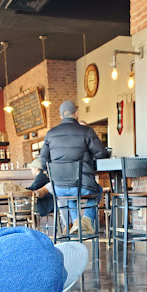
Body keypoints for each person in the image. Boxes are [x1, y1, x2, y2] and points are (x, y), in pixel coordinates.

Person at [40, 100, 109, 235]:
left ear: (61, 116)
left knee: (71, 194)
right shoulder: (86, 131)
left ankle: (77, 223)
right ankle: (86, 220)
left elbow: (43, 163)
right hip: (82, 186)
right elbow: (102, 154)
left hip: (58, 188)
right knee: (97, 189)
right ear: (76, 113)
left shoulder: (50, 134)